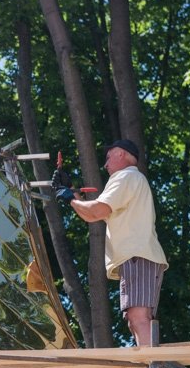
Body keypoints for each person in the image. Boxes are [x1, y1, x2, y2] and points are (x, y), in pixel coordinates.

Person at [53, 139, 168, 346]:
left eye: (108, 158)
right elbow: (92, 212)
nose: (105, 165)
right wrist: (72, 191)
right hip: (137, 257)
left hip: (137, 256)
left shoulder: (125, 176)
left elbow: (96, 212)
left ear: (121, 154)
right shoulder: (132, 180)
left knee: (139, 318)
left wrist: (70, 197)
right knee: (134, 320)